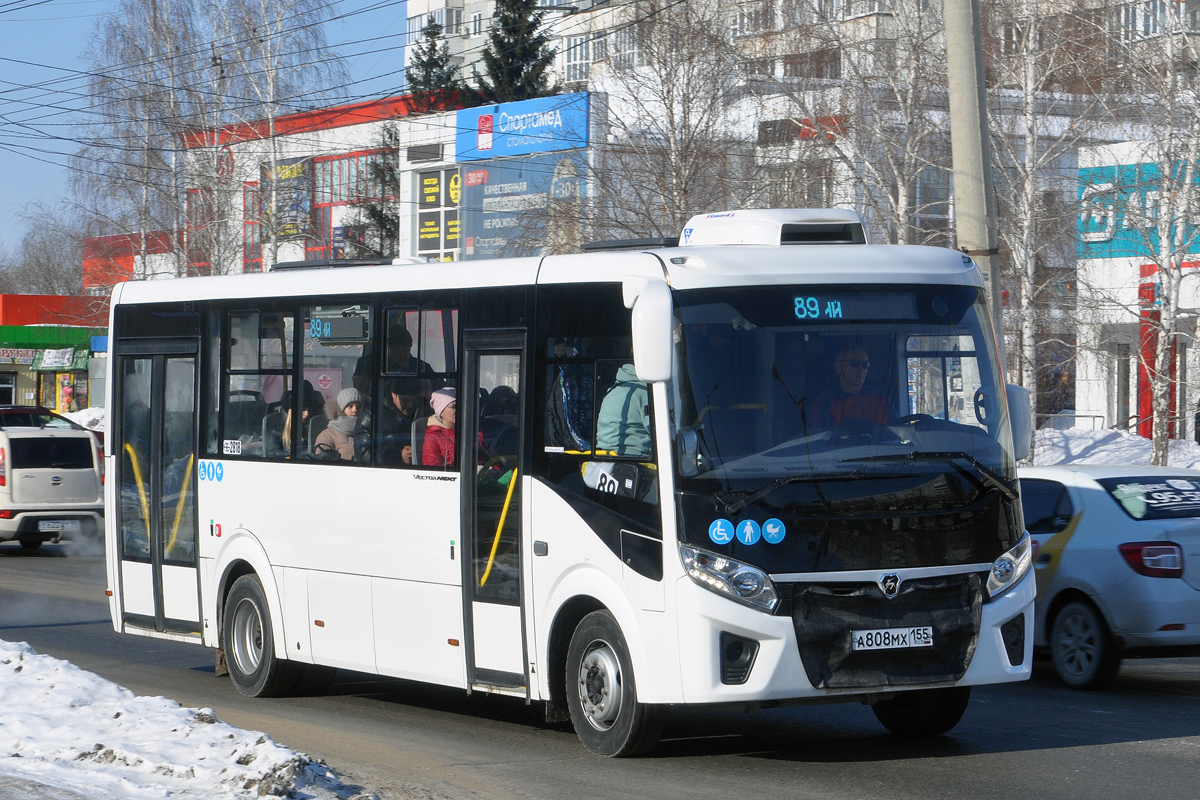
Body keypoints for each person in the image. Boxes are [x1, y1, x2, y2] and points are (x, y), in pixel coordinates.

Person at [812, 345, 890, 429]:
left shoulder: (880, 397)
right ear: (838, 367)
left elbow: (897, 428)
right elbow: (821, 437)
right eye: (854, 363)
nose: (860, 368)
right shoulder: (825, 401)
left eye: (865, 364)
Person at [354, 376, 424, 465]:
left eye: (415, 400)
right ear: (393, 394)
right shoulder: (372, 415)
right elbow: (364, 455)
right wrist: (398, 456)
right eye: (405, 400)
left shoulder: (423, 411)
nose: (410, 405)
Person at [595, 363, 651, 458]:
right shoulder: (643, 392)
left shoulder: (613, 391)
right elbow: (658, 431)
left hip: (606, 457)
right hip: (635, 458)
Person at [314, 388, 361, 460]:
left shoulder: (368, 431)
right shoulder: (328, 434)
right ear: (341, 409)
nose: (355, 410)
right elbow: (322, 457)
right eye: (350, 406)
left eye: (358, 407)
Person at [423, 387, 457, 468]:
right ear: (441, 412)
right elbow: (432, 468)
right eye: (453, 407)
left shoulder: (470, 430)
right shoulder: (433, 437)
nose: (458, 410)